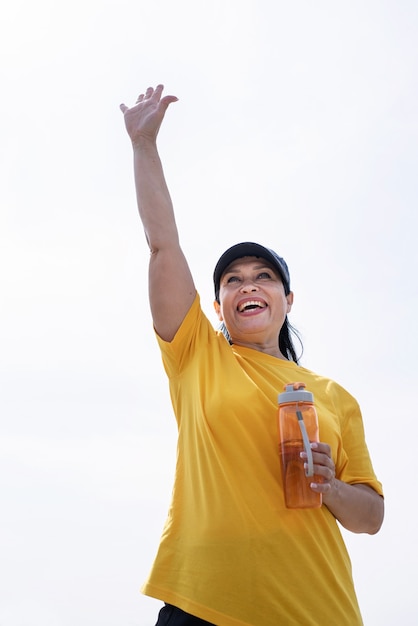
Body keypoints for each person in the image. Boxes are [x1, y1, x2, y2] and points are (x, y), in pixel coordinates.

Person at [120, 84, 384, 626]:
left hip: (317, 609)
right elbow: (162, 244)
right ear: (218, 307)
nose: (248, 286)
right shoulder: (196, 355)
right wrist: (144, 145)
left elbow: (371, 516)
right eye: (233, 281)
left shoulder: (333, 396)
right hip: (205, 604)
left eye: (264, 277)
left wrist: (329, 485)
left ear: (287, 300)